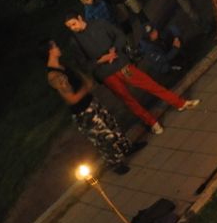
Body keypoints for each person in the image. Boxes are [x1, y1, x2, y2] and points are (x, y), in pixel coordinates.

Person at [64, 13, 198, 134]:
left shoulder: (99, 24)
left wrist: (114, 50)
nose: (73, 28)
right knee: (129, 100)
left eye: (73, 23)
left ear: (80, 18)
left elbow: (120, 36)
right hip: (107, 75)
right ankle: (152, 122)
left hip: (122, 65)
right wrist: (100, 60)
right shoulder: (74, 42)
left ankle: (179, 103)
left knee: (150, 85)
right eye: (69, 27)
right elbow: (84, 65)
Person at [42, 39, 144, 175]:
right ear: (50, 51)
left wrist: (86, 83)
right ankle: (115, 164)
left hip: (90, 102)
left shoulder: (61, 66)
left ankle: (126, 148)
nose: (58, 47)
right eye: (55, 46)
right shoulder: (53, 75)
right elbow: (71, 99)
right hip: (83, 112)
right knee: (103, 136)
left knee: (111, 124)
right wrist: (86, 87)